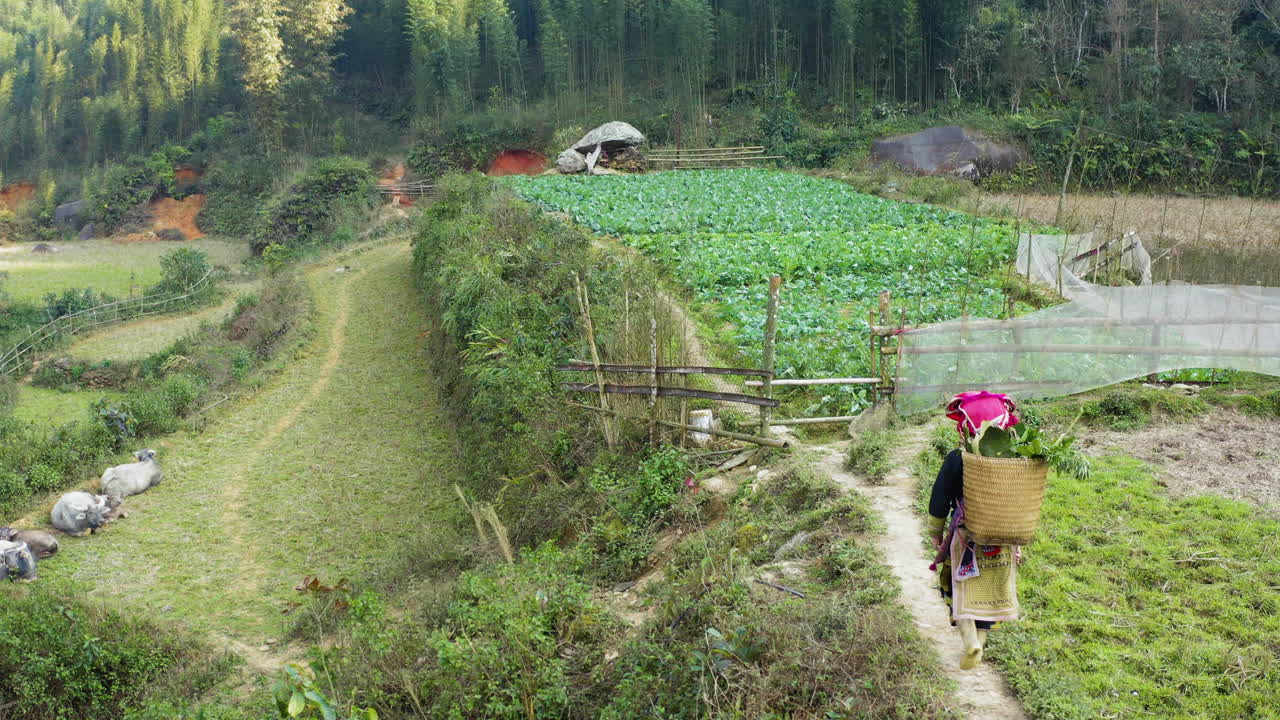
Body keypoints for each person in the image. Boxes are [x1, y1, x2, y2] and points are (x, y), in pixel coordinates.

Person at [926, 391, 1023, 670]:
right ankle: (980, 640)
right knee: (990, 592)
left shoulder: (958, 458)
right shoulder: (1017, 459)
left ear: (968, 423)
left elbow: (939, 497)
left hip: (966, 535)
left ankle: (971, 642)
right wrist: (1019, 542)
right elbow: (1022, 504)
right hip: (1003, 537)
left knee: (961, 586)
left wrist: (935, 530)